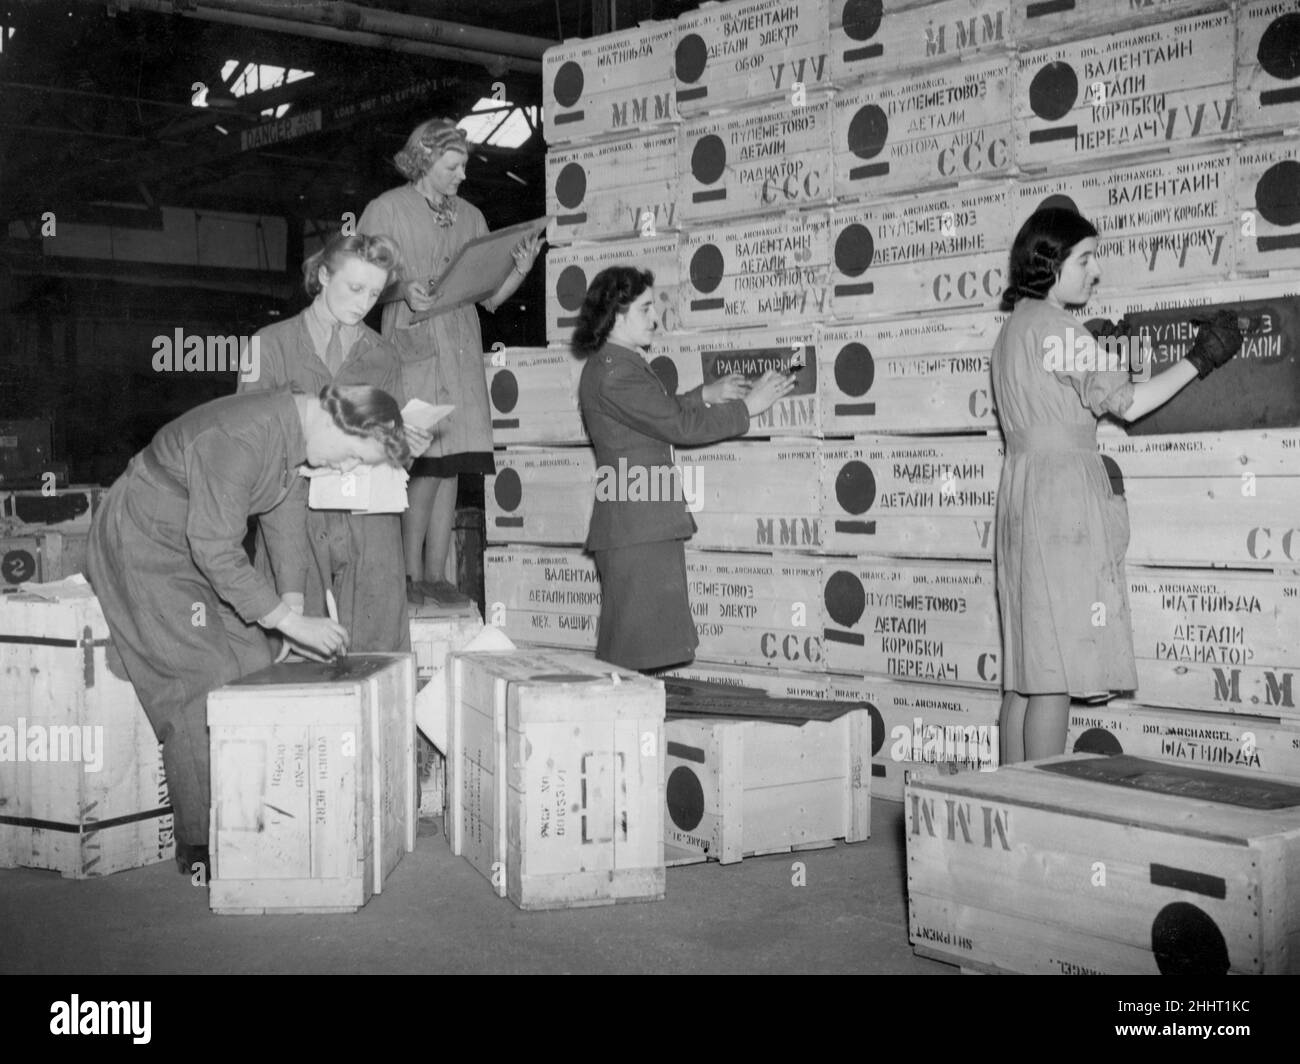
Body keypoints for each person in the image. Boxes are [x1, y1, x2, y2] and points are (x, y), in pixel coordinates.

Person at [85, 385, 410, 875]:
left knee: (256, 664)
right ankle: (203, 845)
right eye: (349, 457)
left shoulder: (297, 430)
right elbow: (215, 547)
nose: (345, 470)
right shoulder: (240, 437)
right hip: (147, 540)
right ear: (335, 422)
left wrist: (288, 605)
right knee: (202, 673)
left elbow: (282, 514)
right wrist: (291, 623)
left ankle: (255, 808)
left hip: (201, 543)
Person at [992, 207, 1243, 764]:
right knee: (1054, 673)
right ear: (1050, 263)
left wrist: (1102, 354)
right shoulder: (1059, 329)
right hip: (1061, 505)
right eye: (1084, 258)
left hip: (1022, 494)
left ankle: (1006, 807)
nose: (1095, 270)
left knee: (1025, 674)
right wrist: (1200, 359)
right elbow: (1132, 405)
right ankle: (1043, 808)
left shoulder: (1016, 328)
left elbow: (1062, 389)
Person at [359, 117, 541, 608]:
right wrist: (401, 288)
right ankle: (410, 578)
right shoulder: (387, 209)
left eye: (463, 166)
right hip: (413, 345)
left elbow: (490, 298)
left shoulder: (471, 216)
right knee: (422, 467)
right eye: (453, 165)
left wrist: (519, 271)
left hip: (460, 348)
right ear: (424, 160)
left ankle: (438, 577)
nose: (462, 175)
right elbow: (359, 278)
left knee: (452, 467)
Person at [573, 266, 793, 672]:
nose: (655, 317)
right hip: (638, 526)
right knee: (637, 662)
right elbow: (677, 425)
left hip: (639, 522)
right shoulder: (616, 373)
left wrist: (703, 394)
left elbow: (654, 415)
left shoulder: (614, 365)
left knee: (638, 658)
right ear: (616, 316)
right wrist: (749, 407)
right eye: (644, 309)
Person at [239, 231, 430, 654]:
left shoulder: (384, 356)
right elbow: (251, 457)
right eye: (355, 288)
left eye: (375, 293)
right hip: (292, 526)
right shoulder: (268, 347)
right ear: (323, 275)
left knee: (376, 665)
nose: (364, 303)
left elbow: (394, 462)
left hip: (370, 529)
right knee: (289, 671)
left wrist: (405, 448)